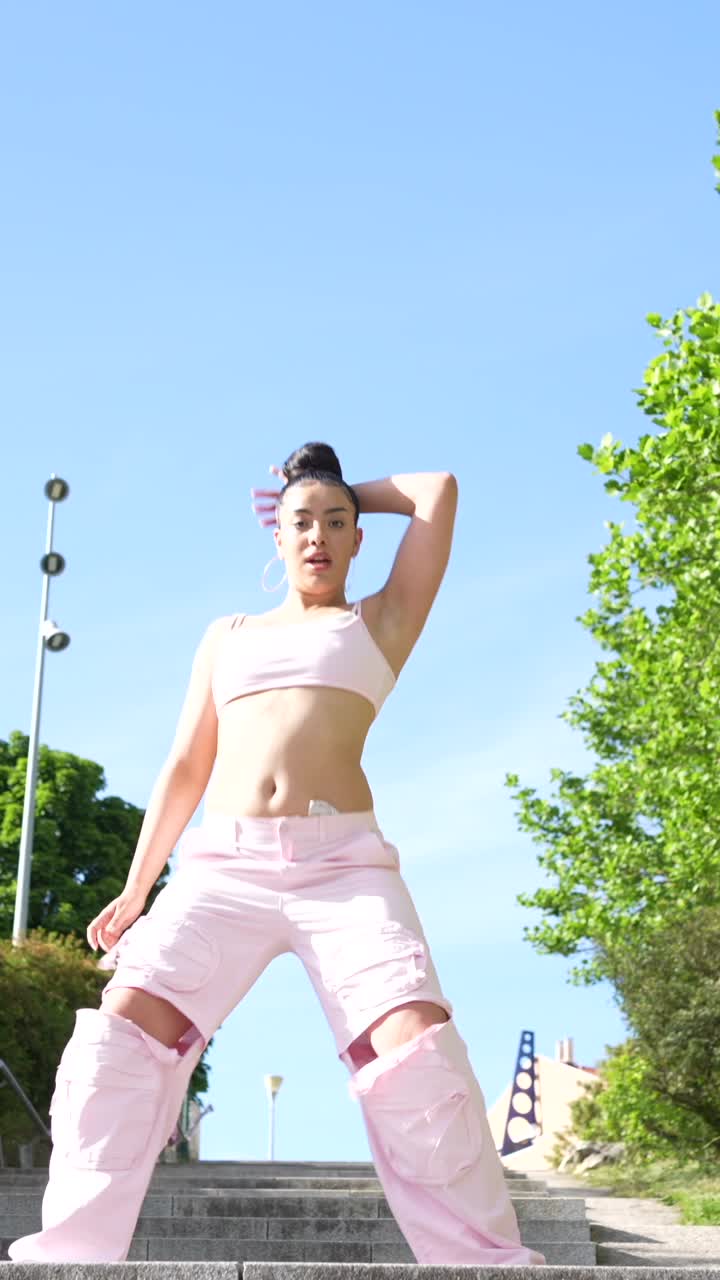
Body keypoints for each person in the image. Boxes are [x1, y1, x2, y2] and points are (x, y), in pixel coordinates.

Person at [9, 442, 545, 1266]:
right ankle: (69, 1255)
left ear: (359, 538)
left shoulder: (379, 622)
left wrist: (334, 488)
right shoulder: (228, 637)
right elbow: (187, 763)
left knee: (416, 1055)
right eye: (301, 523)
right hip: (223, 867)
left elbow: (437, 490)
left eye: (337, 524)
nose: (319, 537)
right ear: (276, 537)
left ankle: (485, 1263)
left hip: (347, 871)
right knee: (117, 1042)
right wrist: (137, 885)